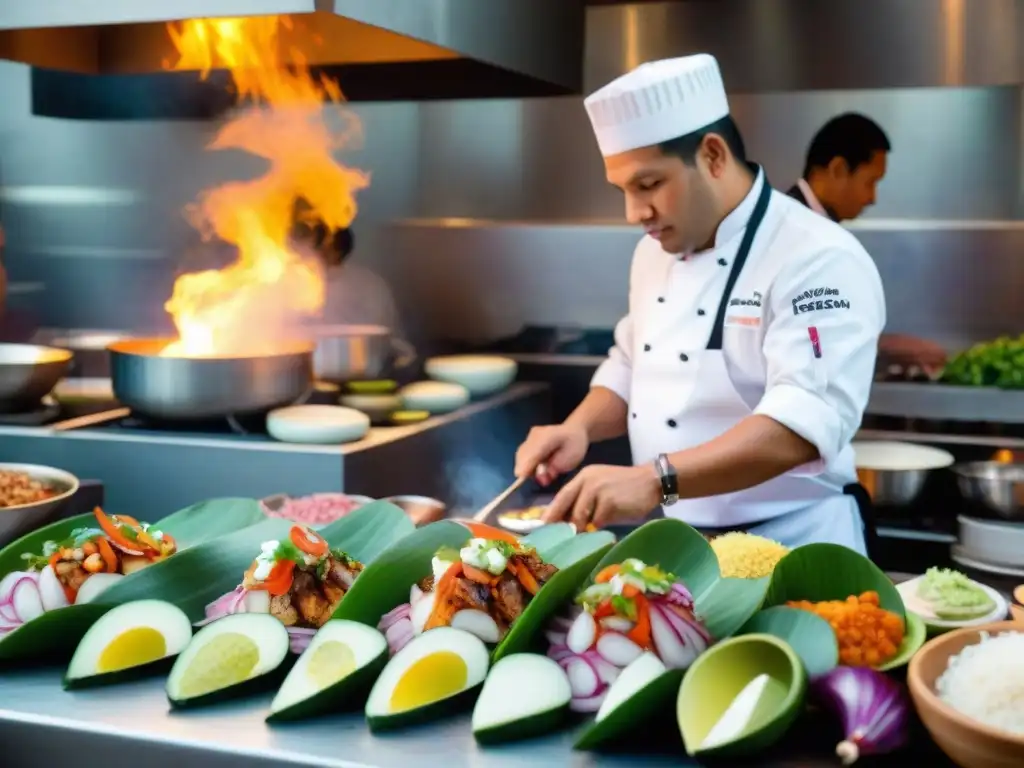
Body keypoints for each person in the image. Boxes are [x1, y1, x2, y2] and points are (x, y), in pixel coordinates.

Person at [514, 54, 885, 555]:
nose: (633, 213)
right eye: (622, 190)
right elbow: (631, 363)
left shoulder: (817, 256)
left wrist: (654, 480)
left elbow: (800, 423)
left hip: (796, 544)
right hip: (683, 545)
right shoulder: (652, 251)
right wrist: (576, 427)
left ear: (712, 156)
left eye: (648, 185)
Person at [788, 113, 947, 374]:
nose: (873, 198)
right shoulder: (793, 229)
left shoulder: (814, 227)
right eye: (870, 182)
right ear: (838, 168)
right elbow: (810, 336)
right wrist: (886, 346)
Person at [290, 218, 402, 334]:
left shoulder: (368, 287)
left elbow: (381, 335)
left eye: (315, 244)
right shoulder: (292, 283)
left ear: (336, 250)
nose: (303, 252)